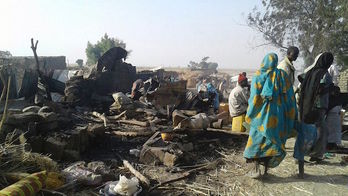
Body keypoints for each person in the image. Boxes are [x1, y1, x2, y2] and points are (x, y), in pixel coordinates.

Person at [244, 53, 297, 178]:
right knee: (271, 142)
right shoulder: (282, 75)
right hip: (277, 115)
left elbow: (254, 98)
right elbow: (290, 97)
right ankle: (266, 171)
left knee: (256, 141)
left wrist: (250, 113)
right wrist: (289, 114)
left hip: (261, 116)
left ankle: (256, 169)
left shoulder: (258, 76)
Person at [298, 52, 334, 163]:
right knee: (321, 131)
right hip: (318, 107)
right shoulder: (325, 75)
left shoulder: (309, 72)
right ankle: (316, 155)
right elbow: (323, 88)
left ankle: (301, 153)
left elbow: (301, 80)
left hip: (306, 105)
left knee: (306, 129)